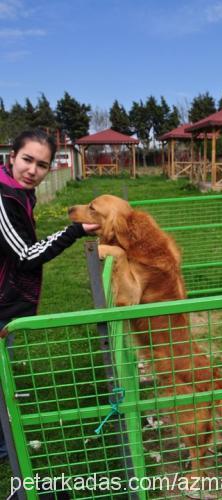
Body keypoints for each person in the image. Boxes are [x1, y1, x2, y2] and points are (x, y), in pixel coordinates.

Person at [0, 129, 99, 463]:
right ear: (11, 157)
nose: (33, 170)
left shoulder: (19, 192)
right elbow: (25, 255)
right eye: (27, 160)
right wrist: (74, 231)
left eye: (41, 165)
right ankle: (3, 446)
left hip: (6, 296)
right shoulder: (2, 196)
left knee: (3, 365)